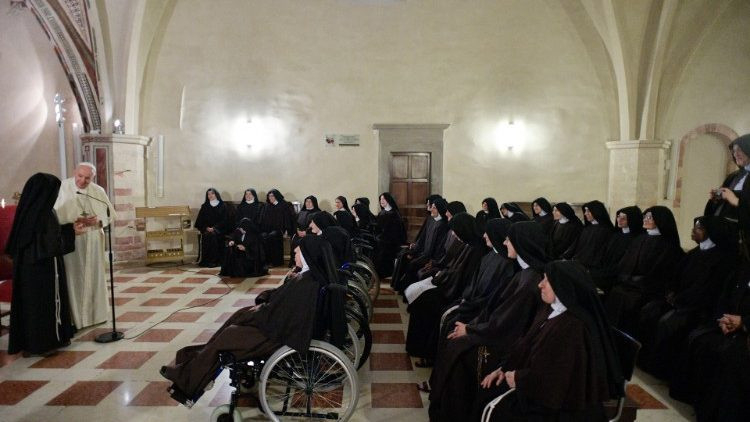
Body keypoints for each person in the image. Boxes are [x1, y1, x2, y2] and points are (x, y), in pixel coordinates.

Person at [161, 235, 339, 406]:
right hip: (274, 326)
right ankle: (191, 366)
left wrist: (261, 309)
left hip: (274, 335)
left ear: (307, 255)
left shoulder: (306, 283)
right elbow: (282, 305)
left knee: (228, 336)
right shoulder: (307, 277)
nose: (294, 253)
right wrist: (264, 304)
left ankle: (190, 379)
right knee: (235, 319)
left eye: (298, 251)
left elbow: (283, 314)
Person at [473, 260, 624, 421]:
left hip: (557, 406)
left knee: (495, 407)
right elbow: (525, 345)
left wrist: (518, 378)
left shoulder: (574, 328)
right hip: (535, 386)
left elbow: (556, 379)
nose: (540, 284)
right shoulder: (550, 310)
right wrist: (503, 369)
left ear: (563, 287)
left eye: (547, 280)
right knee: (483, 388)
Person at [428, 221, 549, 421]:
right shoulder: (524, 273)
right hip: (497, 331)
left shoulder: (530, 281)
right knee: (454, 342)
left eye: (509, 239)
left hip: (505, 342)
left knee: (459, 353)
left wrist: (471, 330)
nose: (505, 242)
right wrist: (472, 326)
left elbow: (506, 322)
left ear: (521, 243)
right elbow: (495, 309)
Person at [637, 216, 736, 379]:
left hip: (698, 307)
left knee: (668, 323)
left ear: (711, 232)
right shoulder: (694, 253)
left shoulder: (721, 260)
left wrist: (679, 299)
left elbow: (706, 290)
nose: (693, 230)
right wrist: (671, 292)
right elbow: (675, 276)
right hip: (680, 301)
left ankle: (662, 370)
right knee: (650, 310)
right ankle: (646, 361)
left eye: (699, 228)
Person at [6, 173, 85, 356]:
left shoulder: (29, 212)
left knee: (31, 307)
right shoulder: (45, 215)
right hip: (44, 269)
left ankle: (32, 343)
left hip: (29, 268)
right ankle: (44, 343)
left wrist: (68, 229)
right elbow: (52, 246)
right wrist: (72, 234)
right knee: (43, 306)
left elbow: (44, 238)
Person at [404, 212, 486, 366]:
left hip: (456, 294)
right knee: (421, 300)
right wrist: (441, 277)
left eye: (455, 230)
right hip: (450, 287)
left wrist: (444, 281)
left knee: (426, 303)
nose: (453, 234)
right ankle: (416, 348)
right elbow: (454, 268)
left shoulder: (477, 250)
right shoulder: (468, 244)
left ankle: (428, 353)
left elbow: (465, 279)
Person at [605, 206, 684, 336]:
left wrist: (638, 282)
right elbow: (625, 264)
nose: (645, 219)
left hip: (650, 290)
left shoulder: (668, 246)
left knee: (630, 300)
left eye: (650, 217)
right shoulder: (639, 239)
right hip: (631, 285)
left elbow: (662, 275)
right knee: (616, 292)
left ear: (660, 220)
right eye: (645, 217)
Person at [53, 162, 114, 329]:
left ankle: (96, 315)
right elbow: (55, 214)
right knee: (74, 276)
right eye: (80, 176)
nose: (82, 181)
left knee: (94, 275)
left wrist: (98, 221)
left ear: (92, 177)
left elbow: (109, 214)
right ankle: (75, 318)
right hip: (72, 239)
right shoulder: (63, 187)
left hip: (93, 238)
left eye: (87, 178)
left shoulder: (98, 191)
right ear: (75, 172)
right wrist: (74, 221)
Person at [393, 198, 450, 292]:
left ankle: (406, 291)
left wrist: (431, 261)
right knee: (403, 255)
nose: (431, 209)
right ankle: (399, 286)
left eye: (434, 208)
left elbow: (439, 248)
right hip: (423, 253)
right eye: (431, 207)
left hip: (431, 257)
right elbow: (422, 238)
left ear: (440, 209)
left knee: (412, 264)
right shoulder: (431, 220)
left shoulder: (443, 225)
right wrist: (414, 249)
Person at [589, 206, 644, 294]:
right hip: (606, 269)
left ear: (632, 219)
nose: (619, 220)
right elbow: (604, 254)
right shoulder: (616, 235)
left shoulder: (637, 239)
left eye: (623, 218)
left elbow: (626, 264)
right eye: (618, 216)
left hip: (620, 274)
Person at [565, 200, 615, 269]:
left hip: (593, 266)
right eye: (585, 211)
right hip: (578, 262)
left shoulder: (607, 231)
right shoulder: (586, 229)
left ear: (596, 212)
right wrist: (565, 257)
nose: (585, 214)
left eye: (588, 211)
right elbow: (575, 245)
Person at [194, 188, 230, 267]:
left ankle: (214, 261)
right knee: (207, 235)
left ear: (216, 194)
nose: (210, 195)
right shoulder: (205, 206)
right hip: (207, 229)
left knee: (213, 235)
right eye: (208, 194)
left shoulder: (223, 206)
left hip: (219, 229)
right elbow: (200, 220)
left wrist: (214, 228)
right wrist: (206, 227)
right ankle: (206, 261)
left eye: (212, 193)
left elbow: (225, 220)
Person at [259, 189, 295, 267]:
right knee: (263, 236)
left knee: (272, 236)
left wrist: (286, 230)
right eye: (269, 196)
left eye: (272, 196)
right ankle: (266, 261)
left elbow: (287, 219)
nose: (270, 198)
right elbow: (262, 219)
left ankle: (276, 261)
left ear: (277, 196)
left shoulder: (284, 205)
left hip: (280, 230)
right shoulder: (266, 206)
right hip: (267, 229)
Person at [374, 192, 407, 278]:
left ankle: (385, 273)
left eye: (383, 199)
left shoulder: (394, 214)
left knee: (384, 252)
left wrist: (383, 238)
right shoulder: (382, 213)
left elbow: (396, 231)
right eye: (380, 199)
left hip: (391, 242)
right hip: (382, 240)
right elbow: (378, 228)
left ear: (389, 200)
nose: (381, 201)